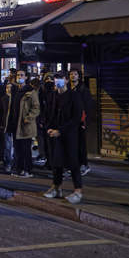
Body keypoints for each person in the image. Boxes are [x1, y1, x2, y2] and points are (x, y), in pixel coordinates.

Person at [43, 72, 84, 203]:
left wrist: (60, 131)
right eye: (56, 79)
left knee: (73, 162)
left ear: (66, 80)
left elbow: (76, 117)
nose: (57, 81)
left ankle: (78, 191)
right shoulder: (52, 95)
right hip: (54, 133)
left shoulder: (74, 95)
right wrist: (49, 128)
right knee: (56, 162)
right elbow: (48, 114)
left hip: (70, 134)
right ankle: (56, 187)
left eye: (60, 78)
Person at [13, 78, 40, 178]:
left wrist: (28, 118)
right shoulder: (16, 91)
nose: (19, 77)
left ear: (26, 78)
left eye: (22, 75)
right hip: (15, 124)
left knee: (25, 148)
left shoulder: (31, 92)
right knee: (17, 148)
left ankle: (27, 170)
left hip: (25, 124)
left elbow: (36, 108)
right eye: (18, 75)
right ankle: (19, 169)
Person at [69, 68, 93, 176]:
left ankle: (84, 165)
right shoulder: (68, 88)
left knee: (81, 144)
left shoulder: (83, 89)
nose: (73, 76)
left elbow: (87, 107)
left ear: (79, 76)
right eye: (71, 74)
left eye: (75, 74)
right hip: (70, 122)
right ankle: (74, 166)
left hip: (80, 122)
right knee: (72, 145)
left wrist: (84, 122)